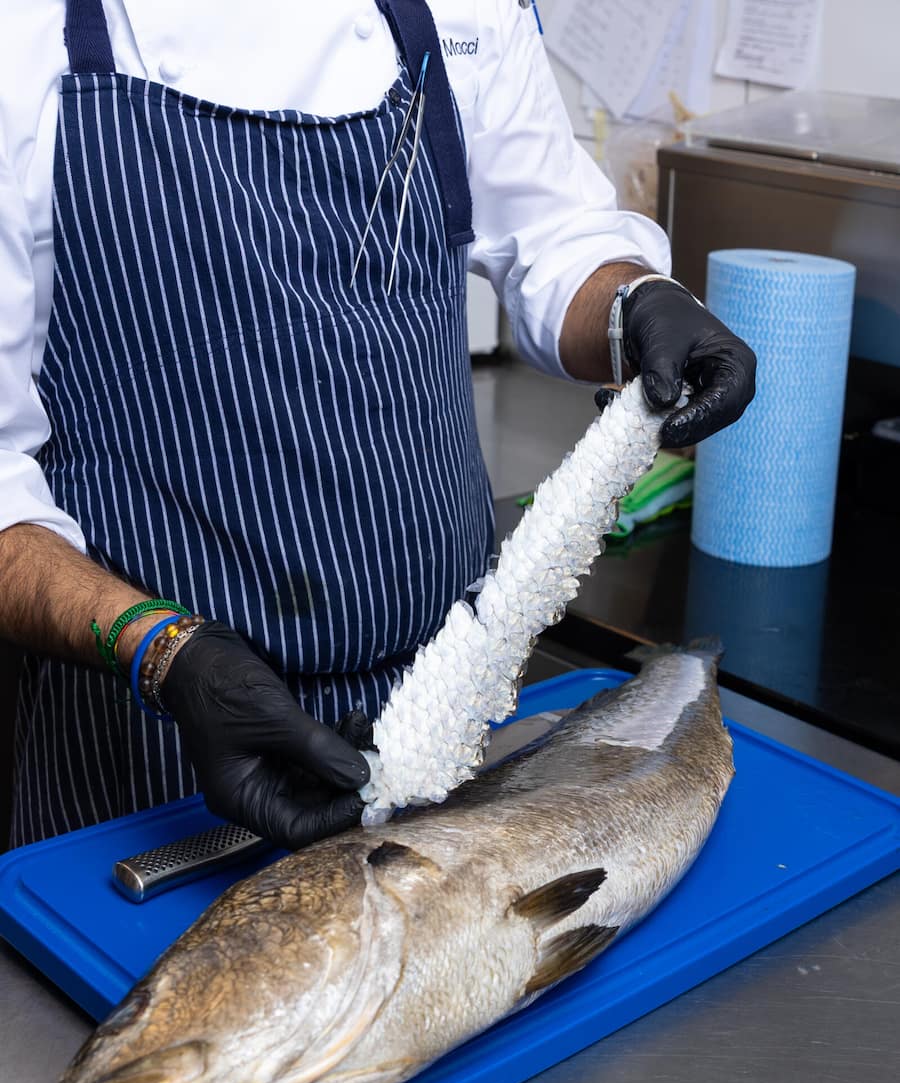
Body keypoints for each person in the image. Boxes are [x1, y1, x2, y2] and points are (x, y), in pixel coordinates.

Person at [0, 0, 755, 851]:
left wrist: (636, 303)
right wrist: (164, 652)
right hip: (161, 740)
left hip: (452, 713)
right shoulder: (25, 35)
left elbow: (551, 237)